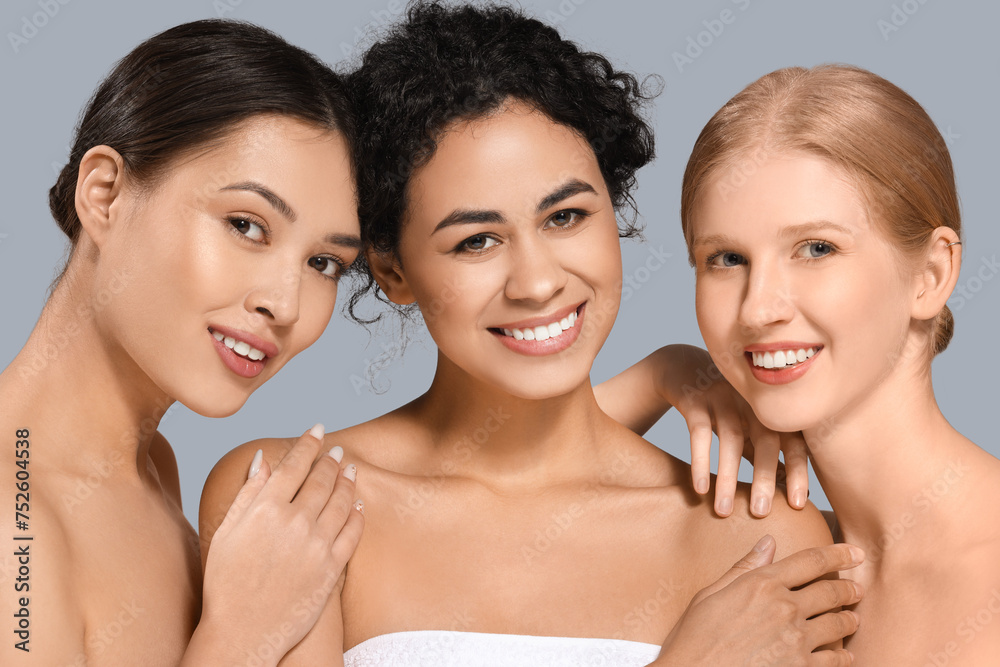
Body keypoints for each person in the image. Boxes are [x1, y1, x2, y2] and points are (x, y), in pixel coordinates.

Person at [203, 4, 864, 665]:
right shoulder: (292, 500)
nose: (537, 282)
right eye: (477, 240)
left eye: (566, 216)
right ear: (392, 268)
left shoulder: (758, 533)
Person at [0, 19, 364, 665]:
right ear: (104, 193)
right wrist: (240, 637)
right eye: (247, 224)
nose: (285, 303)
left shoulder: (152, 471)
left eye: (325, 263)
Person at [618, 64, 1000, 664]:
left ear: (931, 274)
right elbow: (498, 500)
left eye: (816, 248)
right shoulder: (757, 564)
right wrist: (660, 374)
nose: (759, 308)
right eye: (726, 258)